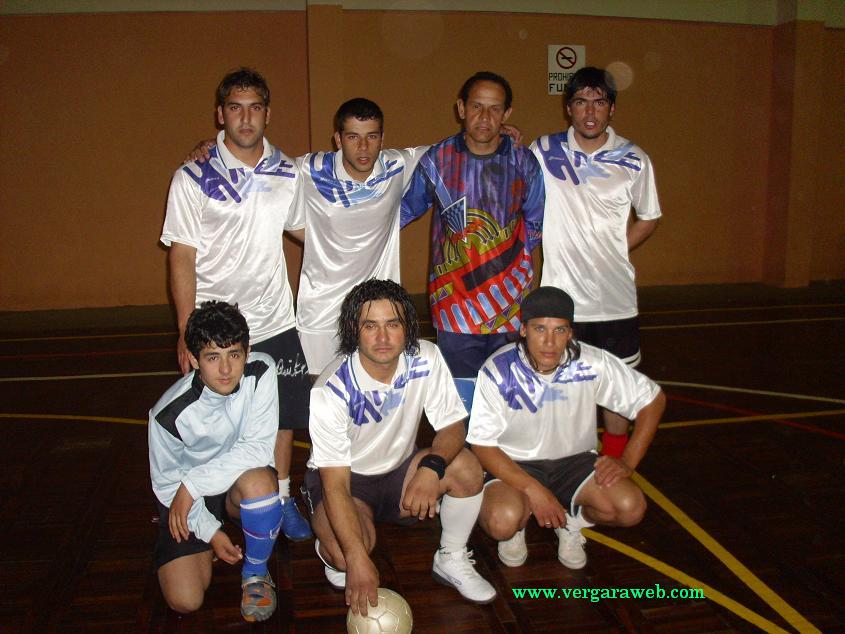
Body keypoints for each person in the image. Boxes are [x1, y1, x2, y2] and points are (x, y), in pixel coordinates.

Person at [160, 68, 313, 541]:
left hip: (274, 317)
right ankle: (214, 499)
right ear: (220, 114)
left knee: (283, 416)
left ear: (268, 114)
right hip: (217, 329)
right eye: (235, 108)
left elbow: (310, 232)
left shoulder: (288, 172)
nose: (245, 119)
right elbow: (182, 255)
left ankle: (281, 497)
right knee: (217, 417)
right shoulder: (193, 176)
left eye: (254, 108)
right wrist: (186, 328)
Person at [303, 279, 497, 616]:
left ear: (407, 327)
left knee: (465, 466)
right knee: (347, 556)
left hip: (400, 475)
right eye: (370, 326)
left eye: (392, 324)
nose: (382, 337)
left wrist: (431, 467)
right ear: (353, 329)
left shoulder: (425, 357)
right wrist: (357, 560)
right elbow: (335, 485)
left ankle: (450, 556)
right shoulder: (330, 390)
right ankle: (332, 550)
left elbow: (453, 426)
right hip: (348, 483)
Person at [467, 286, 665, 570]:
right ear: (523, 330)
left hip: (575, 463)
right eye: (540, 329)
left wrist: (627, 461)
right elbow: (482, 445)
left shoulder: (590, 362)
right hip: (514, 462)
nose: (549, 341)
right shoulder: (498, 369)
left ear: (570, 333)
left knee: (630, 507)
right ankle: (518, 524)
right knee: (502, 521)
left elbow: (653, 400)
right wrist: (535, 490)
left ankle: (573, 521)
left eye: (559, 330)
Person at [530, 67, 662, 458]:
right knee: (559, 388)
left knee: (617, 391)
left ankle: (613, 460)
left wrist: (615, 248)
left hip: (615, 300)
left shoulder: (634, 159)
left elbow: (649, 217)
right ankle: (563, 461)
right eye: (581, 102)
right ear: (568, 108)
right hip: (562, 300)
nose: (590, 112)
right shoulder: (543, 150)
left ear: (612, 109)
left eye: (599, 102)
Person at [401, 71, 545, 409]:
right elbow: (403, 212)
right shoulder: (437, 161)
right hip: (455, 310)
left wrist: (507, 271)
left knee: (507, 404)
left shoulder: (523, 162)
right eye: (477, 106)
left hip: (510, 309)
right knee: (463, 405)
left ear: (507, 114)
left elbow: (535, 223)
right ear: (461, 108)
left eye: (495, 109)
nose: (485, 117)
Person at [148, 301, 282, 622]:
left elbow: (258, 450)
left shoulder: (261, 371)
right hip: (188, 499)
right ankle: (202, 542)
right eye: (212, 357)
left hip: (224, 485)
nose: (225, 369)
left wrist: (193, 484)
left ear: (247, 351)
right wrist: (210, 532)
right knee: (186, 600)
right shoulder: (167, 415)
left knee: (261, 482)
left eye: (234, 354)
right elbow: (168, 486)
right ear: (194, 359)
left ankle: (256, 573)